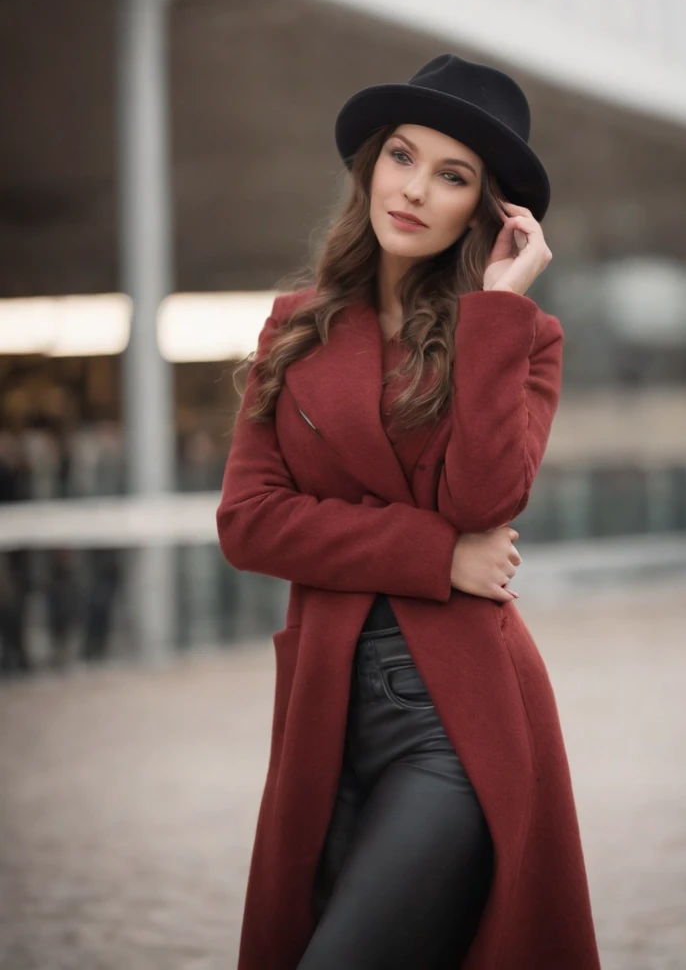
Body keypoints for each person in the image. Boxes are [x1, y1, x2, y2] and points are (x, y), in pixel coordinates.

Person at [216, 54, 600, 969]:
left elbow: (487, 497)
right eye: (402, 156)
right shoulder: (294, 326)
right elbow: (249, 522)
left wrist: (496, 313)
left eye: (453, 175)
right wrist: (437, 555)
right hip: (325, 702)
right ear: (370, 168)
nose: (417, 189)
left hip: (456, 714)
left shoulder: (522, 337)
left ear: (488, 209)